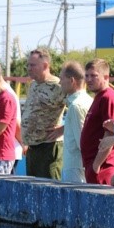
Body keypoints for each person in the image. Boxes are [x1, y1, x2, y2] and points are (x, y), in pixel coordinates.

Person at [21, 49, 66, 179]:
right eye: (28, 65)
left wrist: (62, 129)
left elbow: (78, 110)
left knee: (49, 189)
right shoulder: (34, 85)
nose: (29, 68)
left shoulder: (59, 86)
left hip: (49, 147)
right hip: (32, 147)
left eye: (33, 65)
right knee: (33, 191)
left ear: (45, 66)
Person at [81, 58, 114, 184]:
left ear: (106, 77)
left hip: (104, 168)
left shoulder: (109, 98)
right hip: (95, 166)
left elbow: (111, 132)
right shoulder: (99, 97)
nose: (89, 80)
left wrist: (96, 166)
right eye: (87, 75)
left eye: (94, 76)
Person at [58, 61, 92, 183]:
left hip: (75, 168)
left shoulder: (76, 106)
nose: (60, 82)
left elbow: (81, 143)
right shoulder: (88, 100)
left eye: (62, 79)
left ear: (72, 81)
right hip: (79, 166)